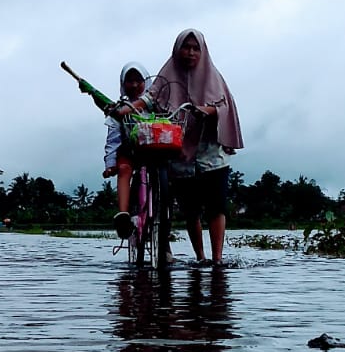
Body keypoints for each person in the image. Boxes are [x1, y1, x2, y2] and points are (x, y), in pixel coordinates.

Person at [113, 29, 243, 265]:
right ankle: (200, 257)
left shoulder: (214, 77)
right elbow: (151, 97)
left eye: (195, 48)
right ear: (177, 49)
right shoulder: (168, 74)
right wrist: (127, 109)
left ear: (202, 51)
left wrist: (207, 110)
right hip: (181, 154)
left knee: (216, 207)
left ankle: (216, 259)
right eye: (186, 47)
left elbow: (224, 106)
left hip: (211, 154)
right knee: (191, 210)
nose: (190, 53)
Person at [103, 62, 149, 238]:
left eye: (139, 80)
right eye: (130, 81)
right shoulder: (119, 108)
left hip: (154, 151)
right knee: (124, 169)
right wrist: (110, 163)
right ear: (123, 83)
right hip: (129, 152)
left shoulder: (154, 104)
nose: (135, 85)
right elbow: (113, 139)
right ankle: (123, 215)